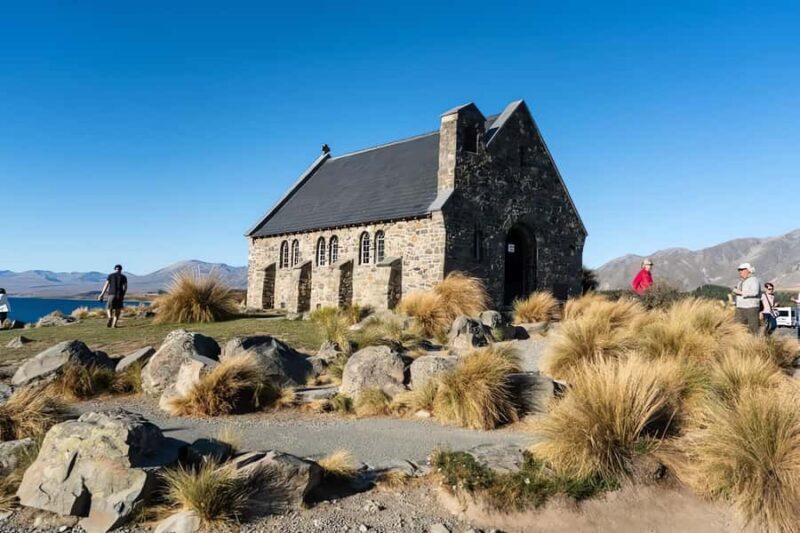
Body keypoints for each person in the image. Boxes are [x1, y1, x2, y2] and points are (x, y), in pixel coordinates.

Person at [733, 263, 761, 335]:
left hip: (751, 307)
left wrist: (741, 292)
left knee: (753, 328)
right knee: (738, 327)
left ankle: (755, 344)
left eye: (742, 270)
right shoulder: (740, 282)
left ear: (748, 270)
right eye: (739, 270)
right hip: (740, 307)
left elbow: (754, 292)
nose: (740, 272)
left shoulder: (754, 280)